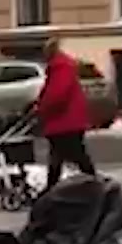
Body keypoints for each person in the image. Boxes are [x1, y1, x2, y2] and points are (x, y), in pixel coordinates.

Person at [33, 39, 99, 193]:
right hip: (65, 121)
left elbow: (57, 95)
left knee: (74, 153)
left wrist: (42, 108)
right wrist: (39, 103)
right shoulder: (59, 67)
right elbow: (51, 92)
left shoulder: (61, 68)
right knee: (60, 156)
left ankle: (93, 182)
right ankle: (53, 187)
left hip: (65, 121)